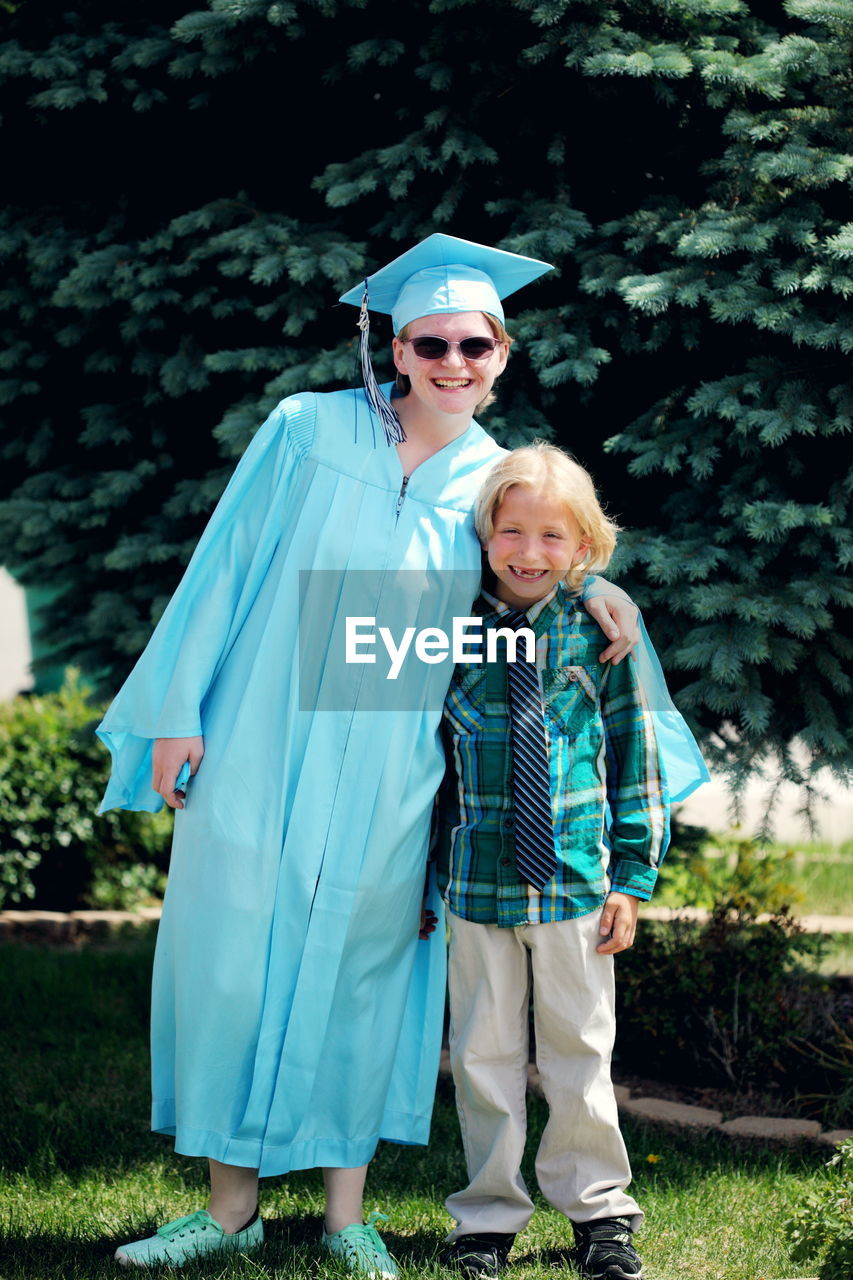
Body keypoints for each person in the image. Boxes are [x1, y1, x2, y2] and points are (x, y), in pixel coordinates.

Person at [96, 235, 662, 1274]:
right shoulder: (304, 427)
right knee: (231, 962)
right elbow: (223, 565)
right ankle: (228, 1207)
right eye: (431, 341)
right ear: (394, 346)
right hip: (263, 730)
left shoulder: (497, 475)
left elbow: (530, 579)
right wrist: (182, 709)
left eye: (474, 344)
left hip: (395, 763)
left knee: (362, 968)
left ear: (503, 351)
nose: (453, 361)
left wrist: (600, 589)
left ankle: (347, 1211)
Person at [436, 443, 706, 1280]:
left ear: (584, 548)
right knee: (480, 1061)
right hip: (474, 885)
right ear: (483, 537)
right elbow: (423, 761)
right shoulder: (450, 627)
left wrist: (632, 878)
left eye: (552, 538)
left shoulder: (599, 632)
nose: (527, 552)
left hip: (575, 887)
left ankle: (598, 1212)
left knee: (578, 1056)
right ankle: (486, 1216)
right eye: (509, 532)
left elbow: (637, 757)